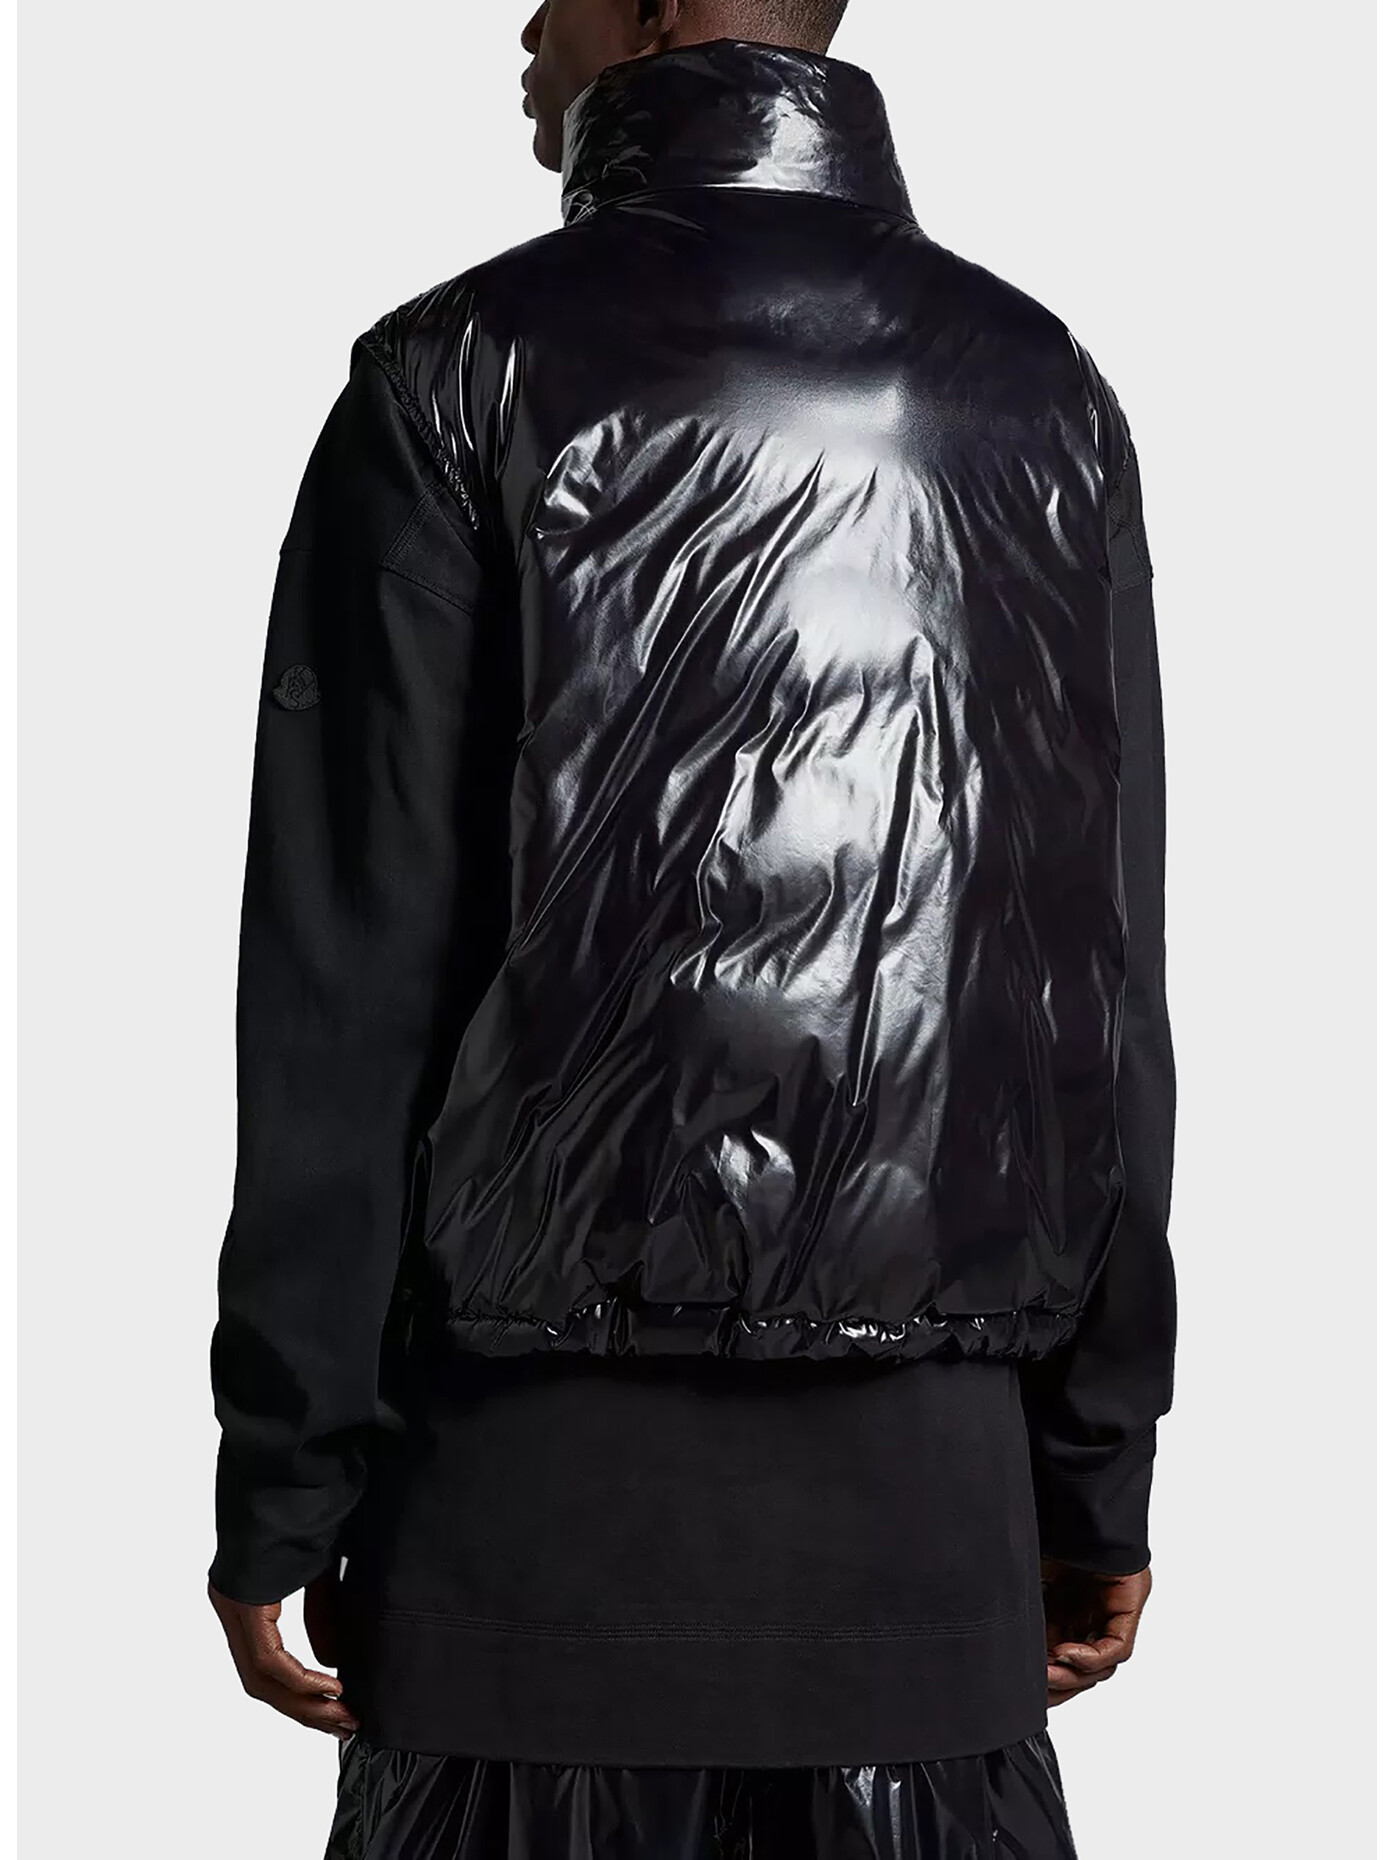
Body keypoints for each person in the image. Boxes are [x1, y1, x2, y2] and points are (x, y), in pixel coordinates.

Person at [207, 1, 1178, 1854]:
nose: (524, 20)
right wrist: (1096, 1458)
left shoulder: (453, 374)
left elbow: (347, 980)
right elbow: (1103, 962)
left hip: (525, 1519)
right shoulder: (1045, 393)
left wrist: (285, 1472)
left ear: (653, 1)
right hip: (934, 1519)